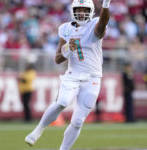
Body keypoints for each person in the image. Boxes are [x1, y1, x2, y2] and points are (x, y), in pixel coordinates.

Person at [25, 0, 111, 149]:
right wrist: (67, 49)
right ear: (73, 10)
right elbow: (58, 59)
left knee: (78, 122)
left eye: (85, 10)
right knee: (63, 101)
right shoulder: (65, 28)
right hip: (73, 74)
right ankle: (37, 131)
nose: (82, 13)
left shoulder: (95, 24)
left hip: (92, 77)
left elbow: (102, 25)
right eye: (79, 10)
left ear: (91, 11)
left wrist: (106, 4)